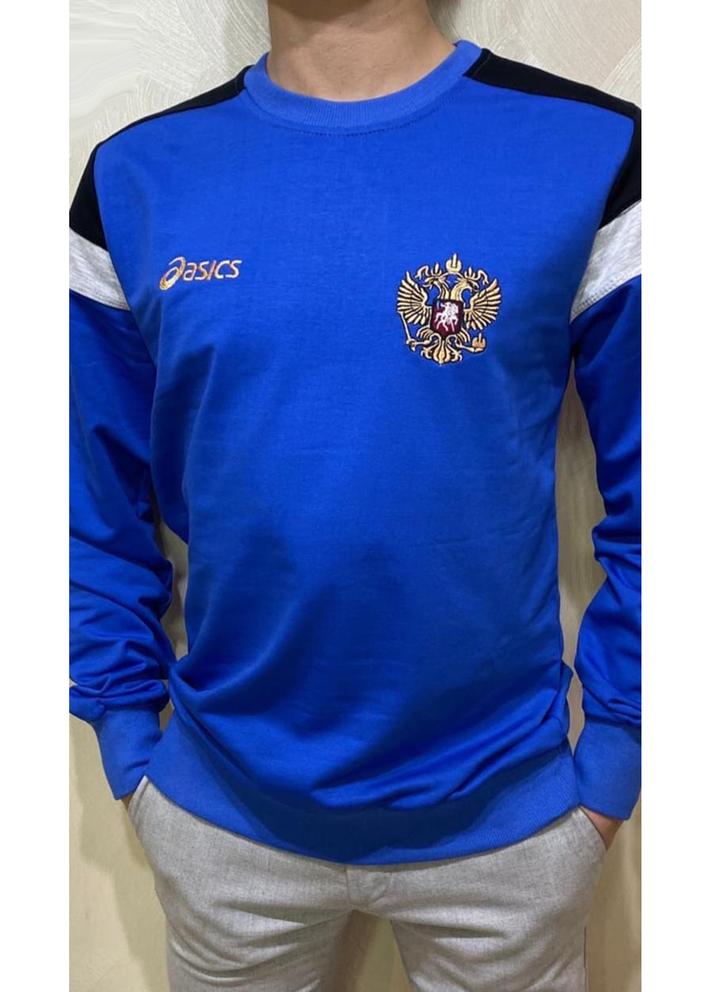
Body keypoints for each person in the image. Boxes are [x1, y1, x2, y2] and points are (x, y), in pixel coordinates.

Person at [69, 1, 641, 989]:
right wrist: (128, 742)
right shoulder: (133, 180)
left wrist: (614, 761)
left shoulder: (592, 149)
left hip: (511, 827)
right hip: (218, 826)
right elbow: (80, 498)